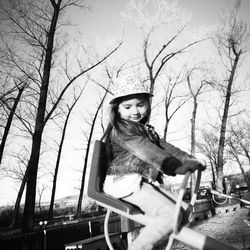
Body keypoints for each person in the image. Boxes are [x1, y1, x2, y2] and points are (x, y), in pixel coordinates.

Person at [102, 74, 206, 250]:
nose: (135, 111)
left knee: (184, 210)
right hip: (124, 182)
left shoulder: (144, 129)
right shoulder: (122, 131)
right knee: (170, 214)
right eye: (128, 107)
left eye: (140, 105)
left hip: (140, 181)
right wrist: (177, 167)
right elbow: (149, 152)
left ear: (147, 105)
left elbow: (165, 147)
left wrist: (188, 159)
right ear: (117, 109)